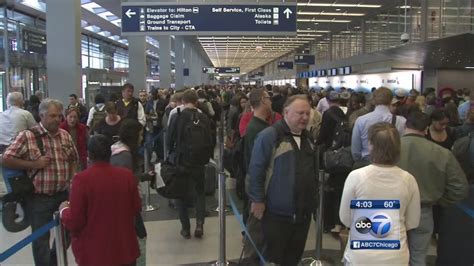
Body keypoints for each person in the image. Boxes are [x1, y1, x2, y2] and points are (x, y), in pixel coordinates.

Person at [2, 98, 79, 265]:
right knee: (40, 239)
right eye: (53, 116)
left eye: (59, 116)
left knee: (67, 233)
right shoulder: (27, 136)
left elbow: (73, 158)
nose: (57, 119)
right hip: (38, 197)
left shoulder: (64, 135)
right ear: (42, 115)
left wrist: (71, 178)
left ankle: (53, 260)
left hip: (62, 194)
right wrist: (33, 164)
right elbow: (6, 159)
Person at [248, 95, 318, 265]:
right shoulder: (270, 136)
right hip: (276, 214)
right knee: (274, 259)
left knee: (293, 258)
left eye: (307, 113)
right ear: (286, 112)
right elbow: (256, 171)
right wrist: (257, 200)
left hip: (302, 214)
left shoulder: (308, 139)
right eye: (300, 113)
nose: (305, 117)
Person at [339, 122, 421, 265]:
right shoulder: (409, 180)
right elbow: (412, 222)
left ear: (371, 145)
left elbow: (346, 219)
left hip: (361, 254)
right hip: (396, 256)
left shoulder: (356, 176)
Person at [398, 111, 468, 265]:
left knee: (391, 256)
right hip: (423, 210)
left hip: (392, 209)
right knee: (418, 258)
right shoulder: (442, 153)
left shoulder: (389, 150)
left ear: (405, 126)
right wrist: (440, 200)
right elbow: (459, 188)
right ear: (426, 129)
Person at [59, 135, 141, 266]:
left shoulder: (81, 180)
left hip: (94, 254)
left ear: (89, 154)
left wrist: (64, 210)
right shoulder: (127, 176)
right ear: (110, 153)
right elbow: (136, 208)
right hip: (125, 249)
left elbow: (75, 222)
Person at [166, 89, 214, 239]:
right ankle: (199, 224)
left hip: (181, 161)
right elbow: (210, 141)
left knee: (180, 194)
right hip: (199, 163)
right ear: (196, 101)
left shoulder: (177, 116)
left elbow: (169, 141)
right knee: (200, 193)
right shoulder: (204, 117)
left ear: (183, 101)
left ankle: (185, 228)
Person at [351, 87, 406, 168]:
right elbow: (401, 145)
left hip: (366, 163)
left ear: (373, 101)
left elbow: (355, 150)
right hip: (391, 164)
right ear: (391, 101)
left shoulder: (361, 120)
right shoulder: (401, 121)